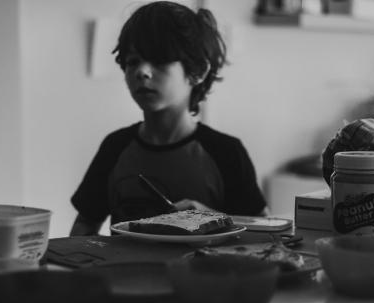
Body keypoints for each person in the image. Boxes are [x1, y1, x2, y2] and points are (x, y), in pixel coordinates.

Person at [70, 1, 267, 236]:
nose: (142, 71)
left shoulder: (226, 152)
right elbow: (84, 226)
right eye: (132, 61)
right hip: (124, 273)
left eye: (160, 60)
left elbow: (266, 234)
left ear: (197, 71)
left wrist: (215, 219)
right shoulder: (115, 147)